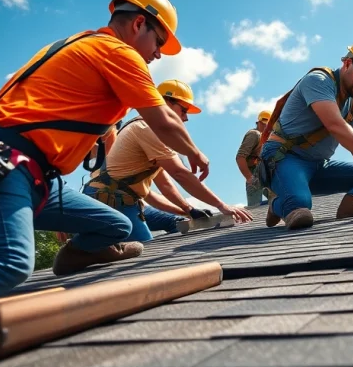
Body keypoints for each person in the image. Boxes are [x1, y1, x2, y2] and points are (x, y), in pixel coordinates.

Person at [0, 0, 211, 321]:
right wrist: (195, 153)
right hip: (0, 169)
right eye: (158, 42)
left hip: (27, 176)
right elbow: (164, 121)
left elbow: (97, 135)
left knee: (116, 225)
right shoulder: (117, 52)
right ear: (138, 24)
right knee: (10, 262)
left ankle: (74, 257)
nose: (158, 53)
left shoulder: (82, 48)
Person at [83, 79, 252, 245]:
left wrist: (189, 210)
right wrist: (222, 205)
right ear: (164, 102)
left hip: (118, 200)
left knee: (169, 226)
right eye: (183, 110)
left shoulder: (151, 130)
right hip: (109, 200)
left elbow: (164, 186)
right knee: (142, 253)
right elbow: (179, 173)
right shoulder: (147, 128)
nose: (185, 118)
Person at [258, 39, 353, 230]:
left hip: (318, 165)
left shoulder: (352, 106)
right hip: (285, 158)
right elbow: (335, 125)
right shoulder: (318, 81)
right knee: (300, 210)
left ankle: (350, 205)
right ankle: (278, 204)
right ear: (347, 63)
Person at [237, 110, 271, 206]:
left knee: (278, 203)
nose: (265, 126)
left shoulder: (268, 137)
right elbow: (240, 157)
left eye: (268, 124)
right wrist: (250, 178)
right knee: (255, 208)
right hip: (255, 174)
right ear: (258, 122)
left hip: (266, 173)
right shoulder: (254, 134)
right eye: (263, 123)